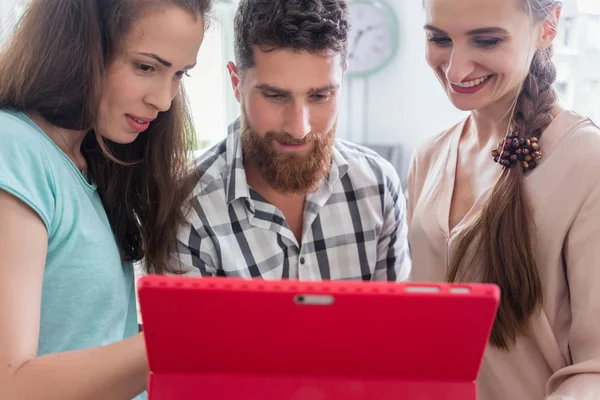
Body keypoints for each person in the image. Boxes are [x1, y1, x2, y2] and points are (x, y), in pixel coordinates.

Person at [0, 0, 212, 398]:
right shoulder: (12, 150)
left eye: (179, 74)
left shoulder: (89, 162)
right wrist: (184, 332)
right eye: (146, 67)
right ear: (77, 46)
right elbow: (10, 384)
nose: (164, 101)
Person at [408, 0, 600, 398]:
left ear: (548, 27)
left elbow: (594, 372)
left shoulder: (588, 163)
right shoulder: (428, 157)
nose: (456, 69)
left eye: (487, 40)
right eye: (439, 39)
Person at [174, 0, 411, 281]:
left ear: (341, 79)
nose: (299, 128)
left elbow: (393, 322)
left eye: (320, 96)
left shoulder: (378, 186)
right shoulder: (187, 206)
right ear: (237, 84)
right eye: (275, 96)